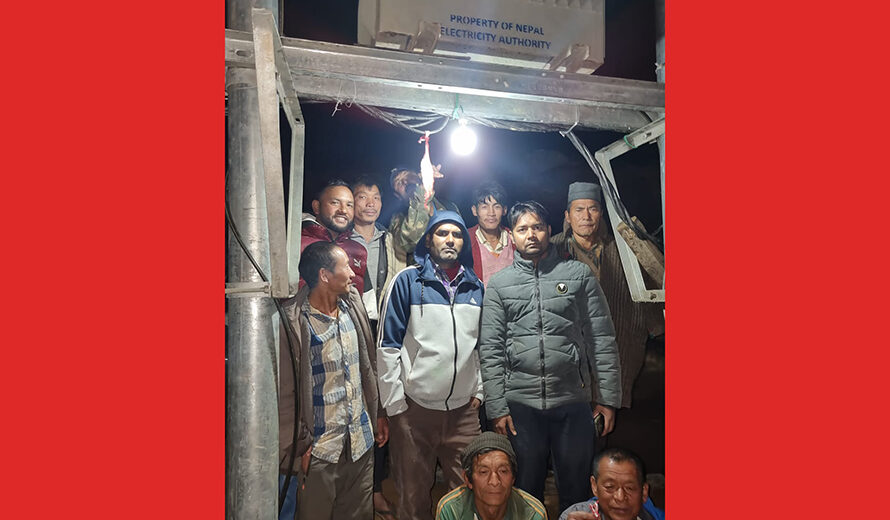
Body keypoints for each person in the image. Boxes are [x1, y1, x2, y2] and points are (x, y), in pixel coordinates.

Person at [479, 201, 622, 514]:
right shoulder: (500, 284)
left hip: (572, 401)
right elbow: (490, 348)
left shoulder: (578, 275)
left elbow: (601, 338)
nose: (531, 234)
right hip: (520, 407)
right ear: (512, 235)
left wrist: (608, 399)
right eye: (522, 229)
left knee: (576, 491)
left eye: (537, 227)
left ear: (549, 230)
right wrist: (497, 408)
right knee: (525, 493)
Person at [378, 210, 485, 520]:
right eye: (442, 233)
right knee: (413, 499)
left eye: (457, 234)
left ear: (464, 243)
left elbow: (482, 345)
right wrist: (395, 405)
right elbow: (387, 345)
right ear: (428, 240)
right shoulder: (407, 281)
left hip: (464, 413)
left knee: (467, 497)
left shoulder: (476, 287)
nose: (450, 240)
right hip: (415, 410)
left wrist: (480, 391)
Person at [277, 242, 387, 520]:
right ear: (324, 275)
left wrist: (378, 413)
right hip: (320, 452)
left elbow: (369, 366)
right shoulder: (294, 322)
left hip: (360, 445)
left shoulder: (353, 305)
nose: (352, 273)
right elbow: (285, 394)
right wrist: (298, 446)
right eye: (345, 267)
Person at [551, 182, 664, 409]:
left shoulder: (621, 249)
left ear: (601, 213)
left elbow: (649, 286)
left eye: (592, 209)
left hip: (616, 349)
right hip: (566, 356)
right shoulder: (552, 250)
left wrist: (657, 325)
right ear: (567, 216)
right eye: (579, 210)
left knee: (606, 415)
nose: (586, 216)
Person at [349, 175, 404, 518]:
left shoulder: (391, 238)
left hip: (386, 328)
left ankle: (376, 488)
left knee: (382, 406)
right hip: (353, 327)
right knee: (355, 403)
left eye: (375, 197)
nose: (370, 203)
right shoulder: (342, 239)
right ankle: (356, 489)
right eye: (362, 197)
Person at [435, 432, 547, 520]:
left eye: (503, 471)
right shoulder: (451, 510)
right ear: (468, 479)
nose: (494, 481)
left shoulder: (532, 513)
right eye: (484, 472)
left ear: (513, 477)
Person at [301, 179, 369, 295]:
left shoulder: (358, 250)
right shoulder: (296, 245)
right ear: (316, 207)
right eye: (335, 203)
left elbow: (368, 300)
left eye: (349, 205)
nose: (343, 210)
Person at [558, 448, 664, 520]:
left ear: (644, 492)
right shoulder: (576, 515)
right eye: (610, 487)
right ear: (594, 486)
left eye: (630, 488)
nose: (620, 497)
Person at [387, 166, 461, 265]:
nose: (405, 182)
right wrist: (421, 193)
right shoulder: (398, 219)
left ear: (419, 176)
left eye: (408, 176)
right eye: (398, 183)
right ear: (398, 196)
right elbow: (410, 242)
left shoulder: (449, 206)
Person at [467, 181, 515, 287]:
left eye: (497, 206)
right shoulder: (466, 240)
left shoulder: (515, 239)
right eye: (484, 207)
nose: (491, 213)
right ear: (474, 210)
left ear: (504, 210)